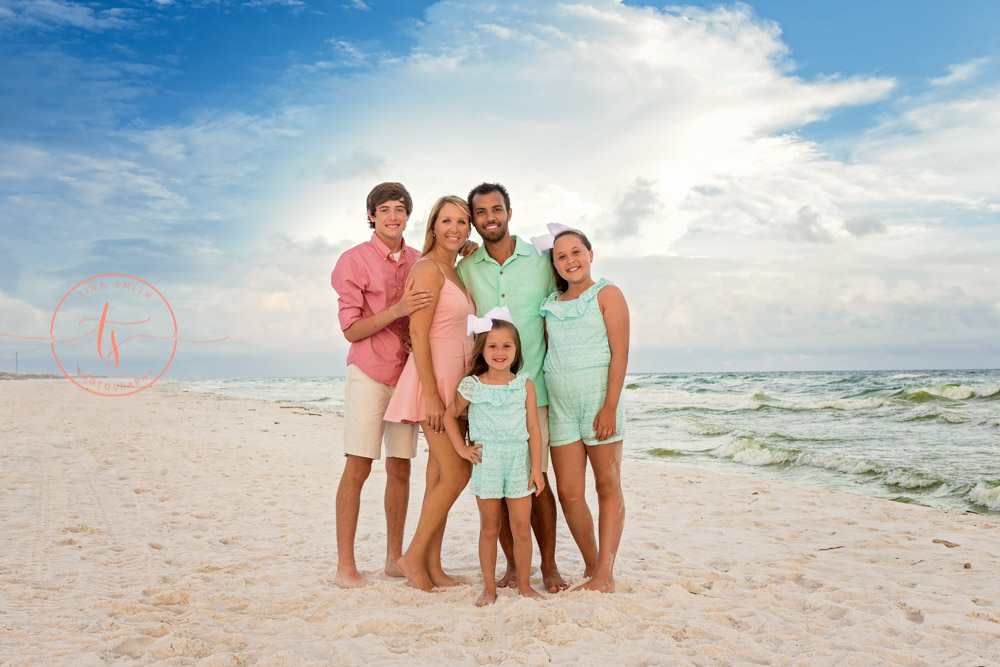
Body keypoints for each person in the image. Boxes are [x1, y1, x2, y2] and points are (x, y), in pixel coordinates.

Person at [457, 182, 568, 594]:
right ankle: (512, 566)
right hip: (490, 393)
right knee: (497, 482)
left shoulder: (541, 260)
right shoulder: (466, 267)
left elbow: (565, 297)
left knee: (537, 483)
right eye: (481, 212)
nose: (490, 218)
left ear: (509, 211)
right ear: (475, 219)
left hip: (532, 385)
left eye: (496, 209)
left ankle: (550, 565)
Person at [330, 182, 434, 588]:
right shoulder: (352, 261)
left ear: (408, 215)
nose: (393, 216)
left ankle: (394, 559)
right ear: (371, 215)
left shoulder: (418, 259)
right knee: (358, 466)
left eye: (400, 209)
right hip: (369, 372)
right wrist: (399, 310)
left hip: (408, 373)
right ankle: (345, 567)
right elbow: (351, 330)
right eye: (385, 209)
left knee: (401, 468)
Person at [385, 195, 476, 591]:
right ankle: (411, 557)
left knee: (439, 475)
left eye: (462, 222)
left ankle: (432, 566)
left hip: (456, 383)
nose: (454, 228)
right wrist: (434, 396)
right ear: (433, 225)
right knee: (458, 470)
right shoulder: (426, 269)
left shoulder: (454, 270)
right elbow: (419, 334)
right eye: (446, 221)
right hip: (434, 382)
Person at [541, 228, 629, 593]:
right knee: (569, 493)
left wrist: (609, 406)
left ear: (590, 254)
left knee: (607, 485)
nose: (569, 260)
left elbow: (619, 353)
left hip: (599, 402)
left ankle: (605, 573)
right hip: (561, 406)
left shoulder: (607, 294)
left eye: (576, 251)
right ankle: (594, 568)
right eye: (561, 256)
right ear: (555, 265)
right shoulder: (548, 304)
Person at [445, 312, 546, 606]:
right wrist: (462, 449)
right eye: (492, 346)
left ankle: (525, 585)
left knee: (521, 528)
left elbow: (534, 431)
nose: (499, 353)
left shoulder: (524, 385)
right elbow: (450, 416)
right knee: (490, 528)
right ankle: (489, 588)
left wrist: (537, 469)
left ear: (516, 351)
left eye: (506, 346)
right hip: (487, 461)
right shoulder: (472, 385)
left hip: (518, 461)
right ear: (482, 349)